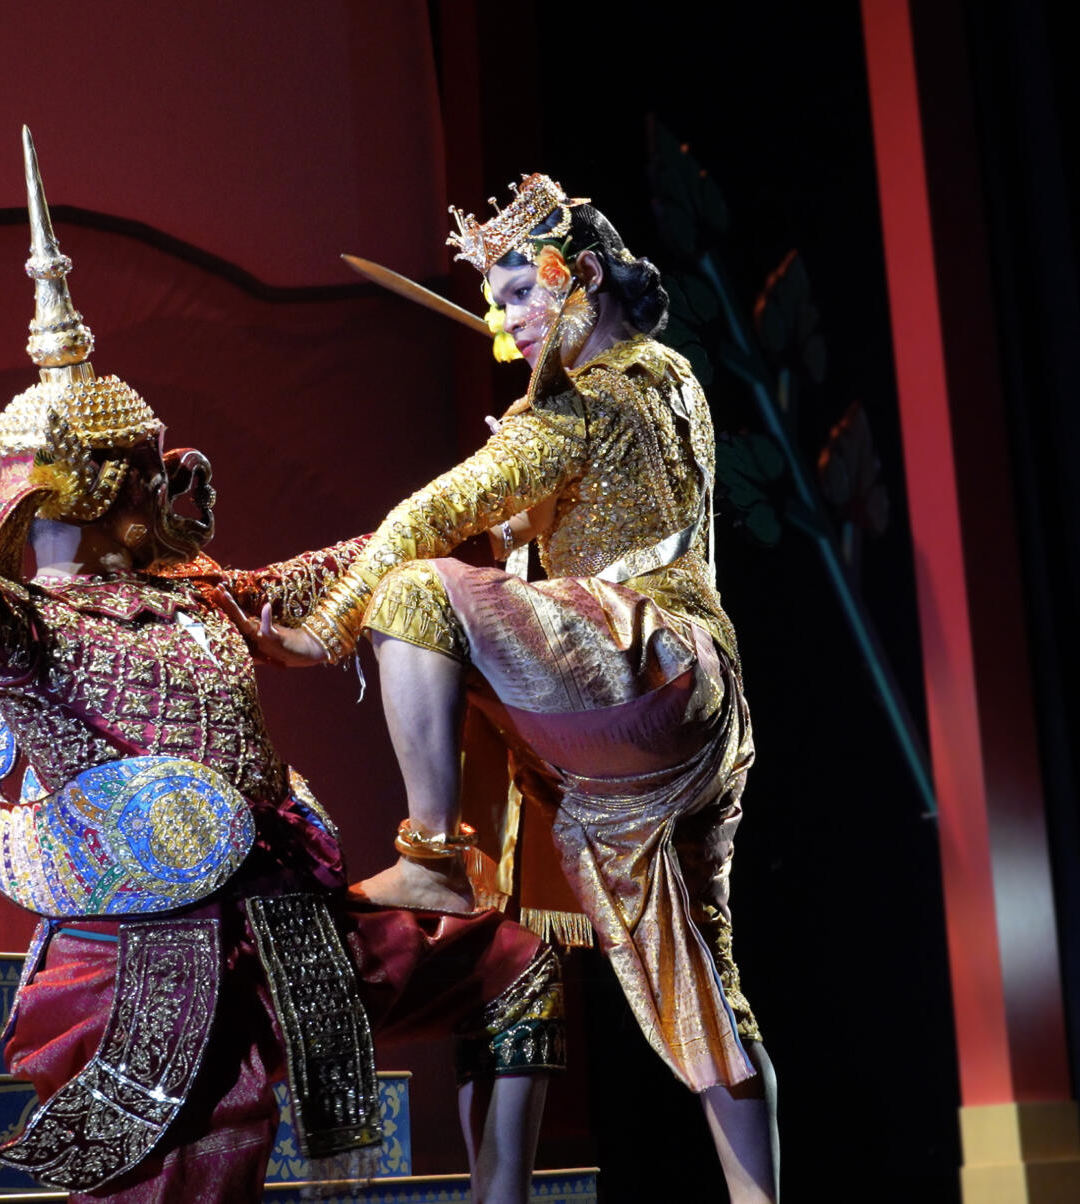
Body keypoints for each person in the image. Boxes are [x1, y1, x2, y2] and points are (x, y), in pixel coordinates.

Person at [0, 130, 562, 1204]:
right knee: (199, 1170)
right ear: (100, 491)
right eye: (142, 478)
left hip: (288, 929)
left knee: (513, 968)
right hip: (150, 968)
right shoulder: (24, 630)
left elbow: (368, 556)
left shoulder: (207, 592)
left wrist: (506, 483)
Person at [234, 174, 780, 1201]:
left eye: (520, 295)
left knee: (413, 592)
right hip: (703, 711)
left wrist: (320, 632)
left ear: (576, 281)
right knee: (711, 979)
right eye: (496, 303)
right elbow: (617, 519)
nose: (505, 324)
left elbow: (425, 516)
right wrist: (535, 501)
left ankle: (432, 852)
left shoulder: (586, 398)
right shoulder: (671, 380)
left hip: (646, 662)